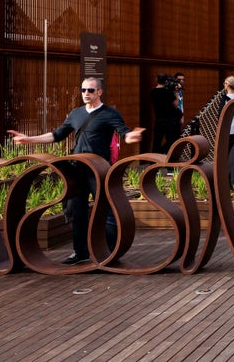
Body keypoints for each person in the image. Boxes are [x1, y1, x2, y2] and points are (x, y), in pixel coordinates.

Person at [8, 77, 145, 265]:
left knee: (107, 209)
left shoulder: (110, 114)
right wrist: (29, 140)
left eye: (90, 90)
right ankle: (80, 252)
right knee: (76, 211)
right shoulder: (76, 113)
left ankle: (110, 252)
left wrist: (132, 136)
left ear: (99, 92)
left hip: (98, 169)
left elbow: (124, 133)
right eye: (83, 90)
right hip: (77, 168)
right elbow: (57, 135)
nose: (86, 94)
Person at [149, 72, 181, 154]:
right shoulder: (168, 92)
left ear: (156, 79)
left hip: (159, 120)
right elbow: (176, 104)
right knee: (170, 141)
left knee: (157, 141)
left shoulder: (153, 92)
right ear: (166, 81)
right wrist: (176, 92)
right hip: (169, 120)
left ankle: (153, 161)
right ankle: (168, 162)